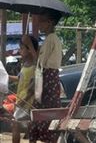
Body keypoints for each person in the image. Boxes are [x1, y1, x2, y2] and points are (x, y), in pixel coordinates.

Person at [28, 10, 63, 143]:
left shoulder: (50, 39)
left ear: (50, 23)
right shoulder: (53, 39)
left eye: (42, 21)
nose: (39, 24)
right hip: (50, 78)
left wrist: (30, 46)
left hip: (47, 78)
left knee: (42, 112)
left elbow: (40, 64)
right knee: (46, 112)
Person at [8, 35, 38, 143]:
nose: (19, 51)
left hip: (27, 102)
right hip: (20, 100)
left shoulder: (34, 67)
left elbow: (32, 88)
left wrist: (21, 101)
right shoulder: (25, 64)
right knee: (28, 128)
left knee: (16, 125)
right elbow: (20, 79)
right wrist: (5, 77)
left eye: (22, 48)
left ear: (30, 50)